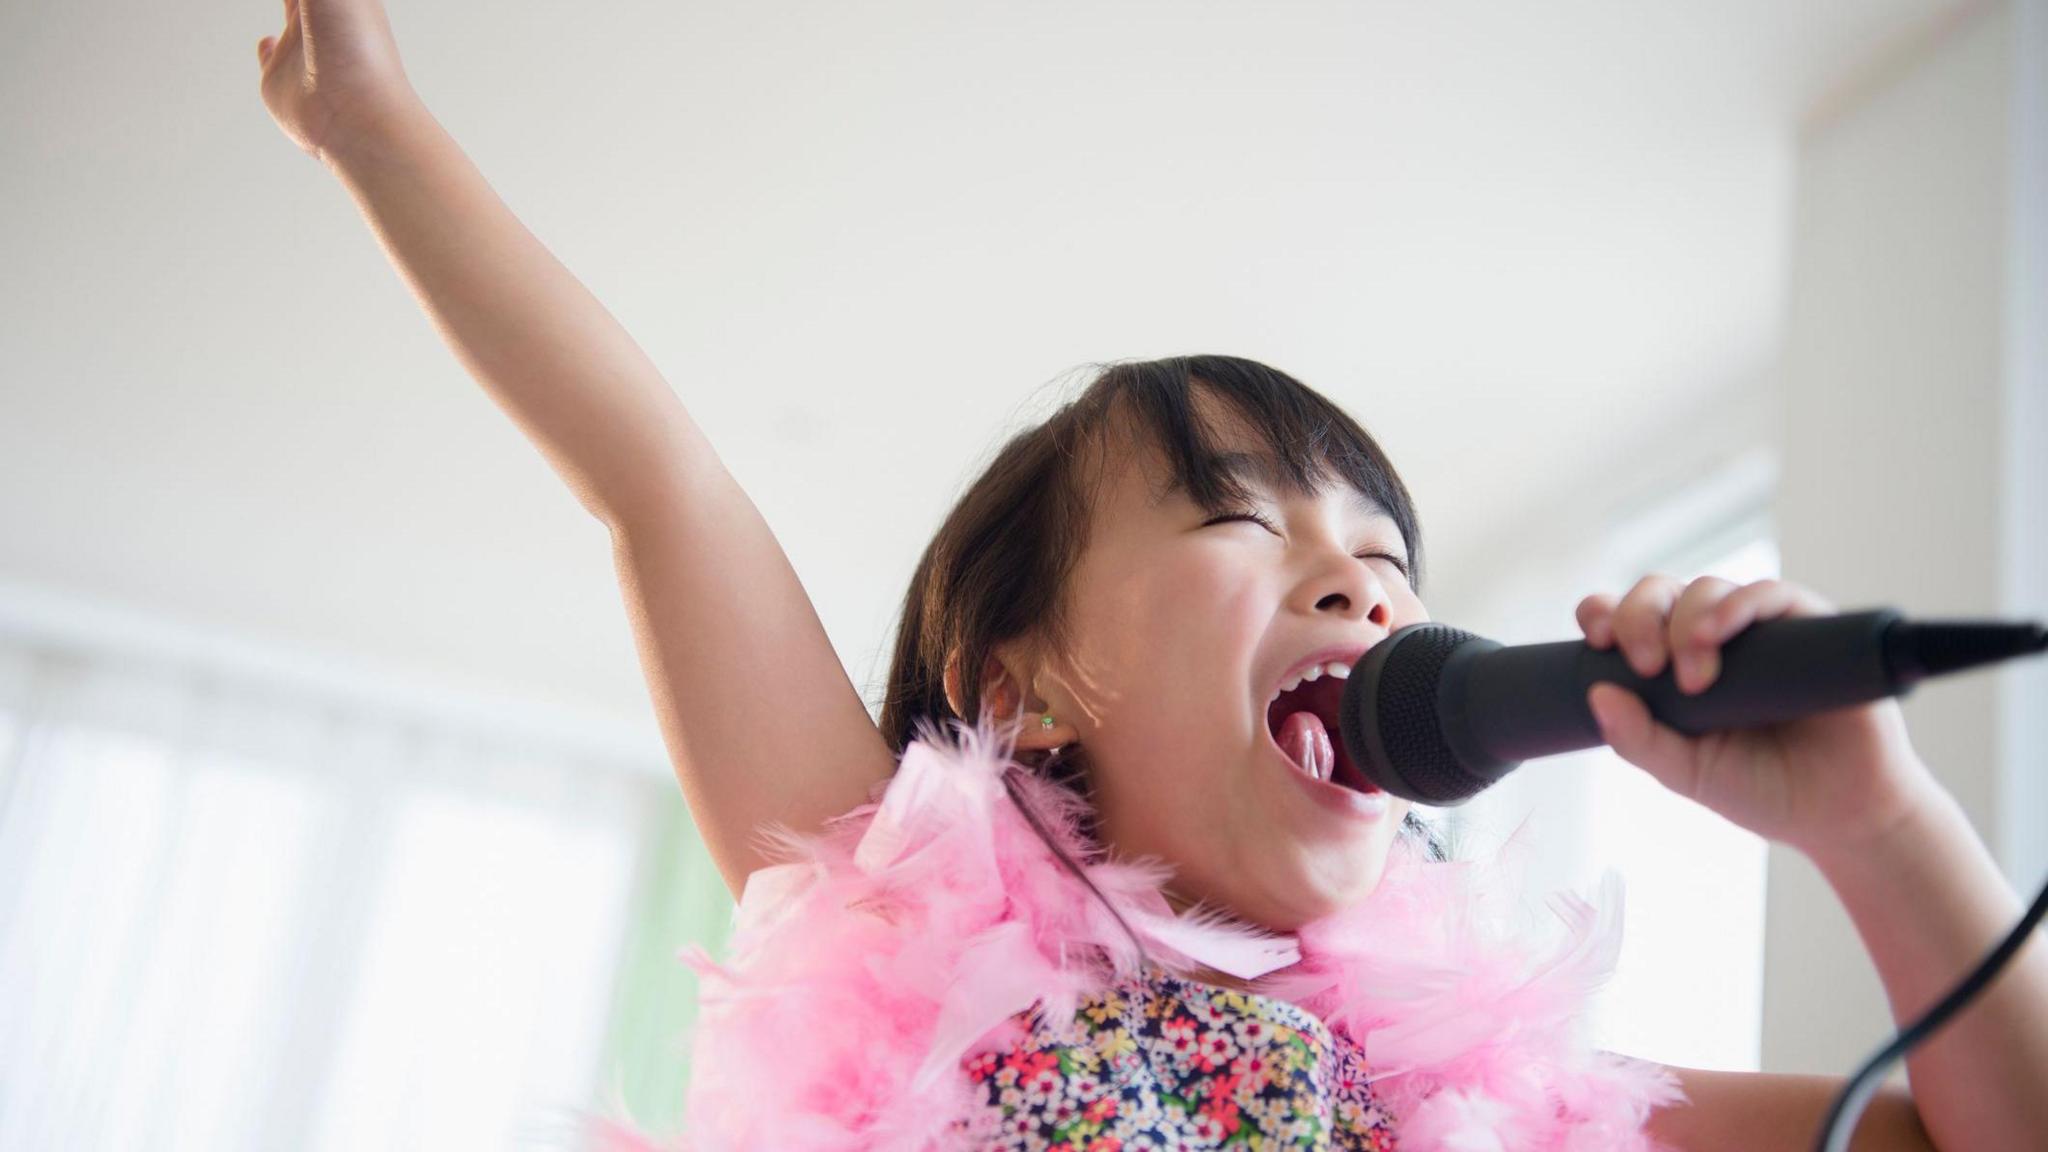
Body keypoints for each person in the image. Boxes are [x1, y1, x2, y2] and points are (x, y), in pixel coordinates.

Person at [254, 2, 2048, 1149]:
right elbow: (662, 485)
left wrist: (1880, 833)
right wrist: (377, 125)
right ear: (1028, 681)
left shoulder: (1485, 1105)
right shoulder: (903, 917)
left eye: (1385, 560)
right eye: (1244, 521)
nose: (1358, 588)